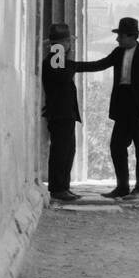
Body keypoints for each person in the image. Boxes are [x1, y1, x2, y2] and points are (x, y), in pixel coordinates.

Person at [40, 22, 112, 202]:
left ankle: (63, 187)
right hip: (60, 114)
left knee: (68, 151)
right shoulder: (54, 61)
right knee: (60, 152)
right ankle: (57, 188)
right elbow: (63, 75)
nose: (69, 45)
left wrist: (111, 59)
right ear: (62, 44)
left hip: (66, 114)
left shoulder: (60, 61)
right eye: (67, 42)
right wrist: (65, 57)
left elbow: (89, 66)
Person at [92, 17, 139, 200]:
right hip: (122, 105)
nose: (117, 40)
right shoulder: (118, 52)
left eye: (120, 36)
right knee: (116, 146)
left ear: (131, 36)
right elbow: (100, 64)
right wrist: (73, 67)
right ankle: (122, 186)